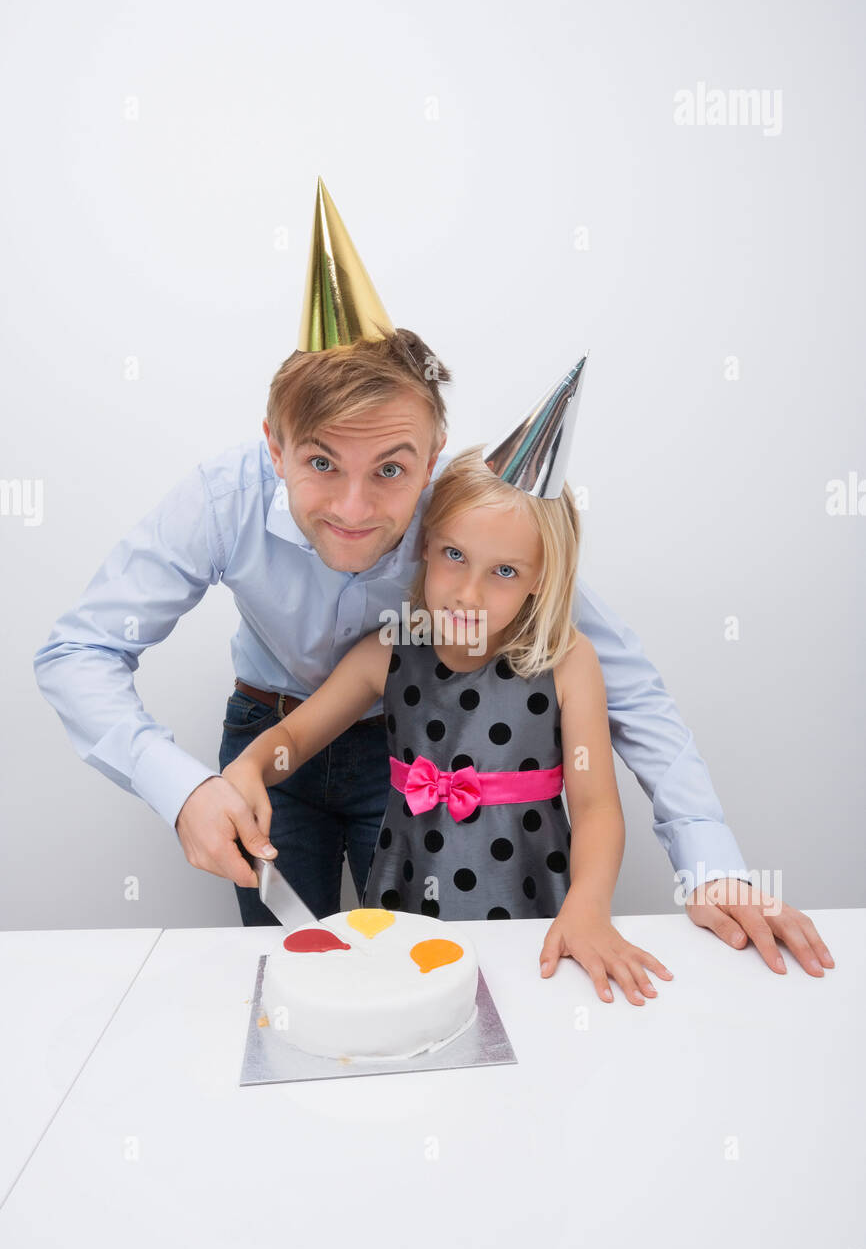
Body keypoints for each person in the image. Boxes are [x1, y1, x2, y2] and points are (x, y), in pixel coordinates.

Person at [32, 178, 833, 980]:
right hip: (271, 735)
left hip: (415, 751)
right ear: (273, 447)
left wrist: (710, 862)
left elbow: (628, 690)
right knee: (288, 973)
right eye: (318, 462)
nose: (354, 508)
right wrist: (185, 788)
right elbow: (79, 653)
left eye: (389, 467)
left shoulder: (474, 514)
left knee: (418, 972)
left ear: (435, 446)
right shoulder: (220, 499)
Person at [222, 434, 678, 1005]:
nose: (467, 593)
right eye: (454, 556)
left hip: (527, 899)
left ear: (541, 576)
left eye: (505, 571)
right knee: (411, 1017)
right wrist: (250, 764)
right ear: (426, 547)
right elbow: (292, 736)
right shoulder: (387, 650)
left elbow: (596, 809)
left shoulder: (568, 661)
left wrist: (589, 907)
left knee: (526, 1021)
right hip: (406, 901)